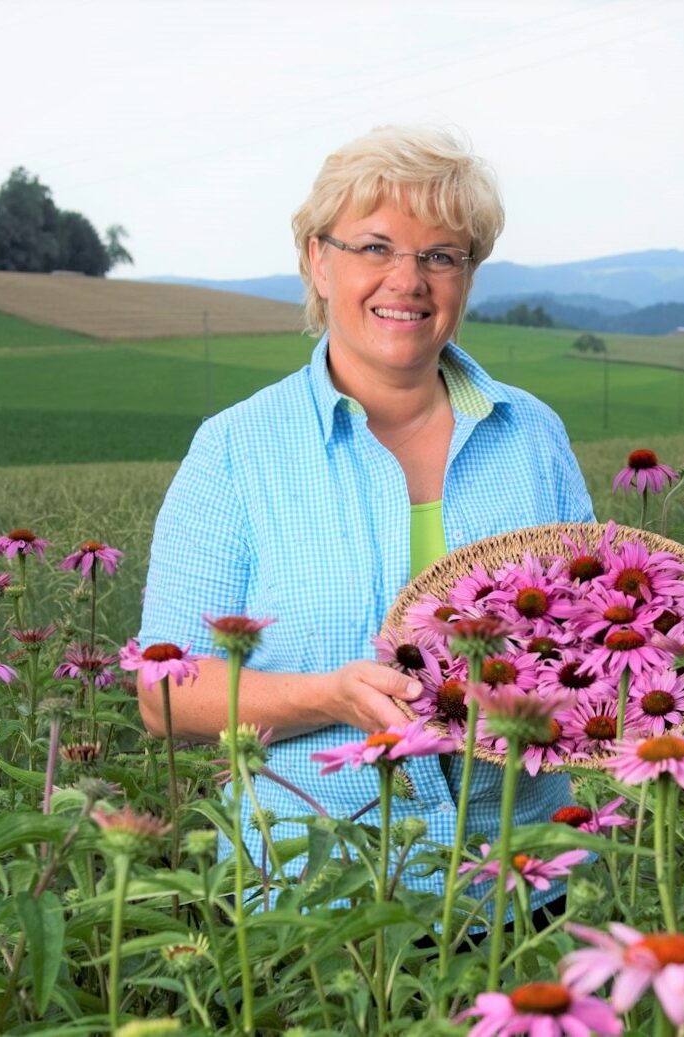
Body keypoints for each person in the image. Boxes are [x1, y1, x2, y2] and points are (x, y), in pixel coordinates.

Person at [137, 125, 595, 913]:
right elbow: (164, 693)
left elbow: (588, 631)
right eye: (375, 247)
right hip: (313, 908)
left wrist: (681, 645)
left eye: (440, 255)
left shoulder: (531, 436)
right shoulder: (236, 452)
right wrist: (328, 695)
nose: (407, 280)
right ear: (318, 260)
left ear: (467, 275)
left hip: (522, 890)